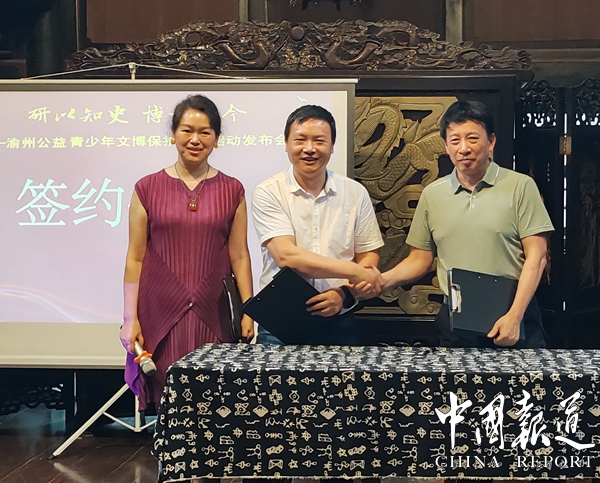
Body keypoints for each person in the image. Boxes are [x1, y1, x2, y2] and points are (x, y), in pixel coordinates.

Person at [381, 100, 554, 348]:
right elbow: (419, 259)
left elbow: (537, 257)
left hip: (515, 315)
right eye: (455, 140)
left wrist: (514, 317)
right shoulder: (432, 194)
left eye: (472, 138)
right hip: (457, 321)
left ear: (491, 141)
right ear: (445, 146)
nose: (464, 148)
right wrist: (381, 281)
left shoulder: (520, 186)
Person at [119, 94, 254, 410]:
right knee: (169, 399)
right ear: (173, 134)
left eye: (205, 132)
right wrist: (129, 318)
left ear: (216, 139)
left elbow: (240, 256)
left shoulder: (233, 189)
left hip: (215, 312)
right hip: (159, 312)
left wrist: (249, 310)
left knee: (215, 400)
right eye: (187, 130)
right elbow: (135, 257)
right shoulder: (146, 188)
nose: (195, 140)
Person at [251, 104, 384, 346]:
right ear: (286, 143)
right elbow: (287, 256)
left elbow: (368, 255)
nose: (309, 148)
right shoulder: (268, 192)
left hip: (338, 319)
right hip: (280, 320)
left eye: (319, 141)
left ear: (332, 146)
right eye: (300, 140)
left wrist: (344, 294)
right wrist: (353, 271)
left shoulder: (354, 193)